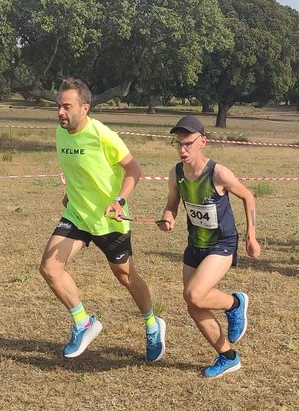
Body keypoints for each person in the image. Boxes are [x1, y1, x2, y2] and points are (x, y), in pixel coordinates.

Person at [39, 78, 166, 362]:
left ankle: (152, 324)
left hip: (109, 220)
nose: (60, 111)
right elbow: (78, 171)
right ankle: (84, 323)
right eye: (58, 105)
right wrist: (69, 194)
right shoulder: (61, 134)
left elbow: (134, 169)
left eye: (66, 106)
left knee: (125, 276)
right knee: (49, 268)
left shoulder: (101, 134)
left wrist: (119, 200)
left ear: (85, 108)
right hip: (77, 216)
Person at [158, 115, 261, 379]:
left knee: (193, 294)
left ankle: (235, 304)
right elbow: (172, 203)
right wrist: (169, 216)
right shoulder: (177, 173)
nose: (183, 149)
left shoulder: (218, 173)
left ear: (202, 142)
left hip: (222, 243)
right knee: (194, 304)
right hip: (195, 245)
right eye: (178, 143)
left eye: (188, 143)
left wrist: (251, 235)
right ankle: (228, 356)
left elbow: (248, 196)